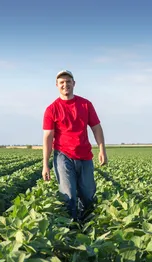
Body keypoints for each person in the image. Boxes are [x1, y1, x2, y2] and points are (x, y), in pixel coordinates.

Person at [42, 69, 107, 222]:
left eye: (68, 82)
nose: (65, 85)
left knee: (88, 194)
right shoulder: (51, 109)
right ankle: (71, 229)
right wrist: (45, 164)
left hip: (85, 155)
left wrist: (102, 149)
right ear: (57, 85)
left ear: (74, 84)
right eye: (62, 82)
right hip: (63, 155)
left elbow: (96, 127)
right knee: (68, 195)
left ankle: (86, 224)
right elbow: (48, 136)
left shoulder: (85, 104)